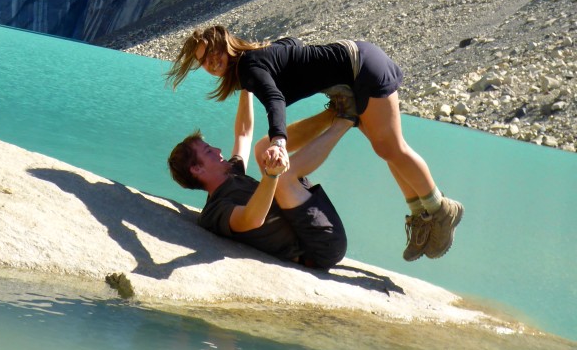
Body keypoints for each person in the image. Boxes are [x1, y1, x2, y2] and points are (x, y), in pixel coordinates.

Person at [167, 26, 463, 262]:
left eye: (214, 52)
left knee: (391, 147)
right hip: (355, 65)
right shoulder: (250, 67)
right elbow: (292, 45)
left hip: (360, 67)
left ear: (228, 43)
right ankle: (420, 214)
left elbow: (274, 100)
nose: (211, 62)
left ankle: (440, 209)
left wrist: (280, 141)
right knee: (384, 148)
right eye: (204, 60)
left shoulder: (249, 68)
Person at [168, 91, 352, 270]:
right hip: (319, 246)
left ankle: (334, 112)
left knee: (264, 147)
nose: (217, 150)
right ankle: (347, 120)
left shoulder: (232, 173)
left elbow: (243, 133)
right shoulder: (214, 211)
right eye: (208, 151)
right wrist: (272, 176)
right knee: (282, 177)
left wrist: (246, 87)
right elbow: (251, 218)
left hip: (309, 219)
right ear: (197, 169)